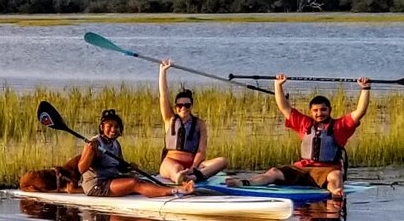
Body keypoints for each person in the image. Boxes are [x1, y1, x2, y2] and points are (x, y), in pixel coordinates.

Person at [232, 75, 370, 196]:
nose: (319, 113)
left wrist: (365, 89)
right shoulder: (304, 123)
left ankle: (335, 191)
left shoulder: (340, 126)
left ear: (329, 110)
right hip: (301, 168)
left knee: (336, 175)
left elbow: (360, 111)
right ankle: (245, 183)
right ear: (311, 111)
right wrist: (278, 85)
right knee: (274, 172)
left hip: (326, 170)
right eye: (315, 110)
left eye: (323, 110)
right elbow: (284, 107)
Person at [19, 110, 173, 197]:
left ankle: (165, 190)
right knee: (134, 184)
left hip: (110, 180)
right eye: (109, 126)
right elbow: (81, 169)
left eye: (116, 127)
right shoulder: (94, 143)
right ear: (102, 127)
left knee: (134, 179)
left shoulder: (115, 144)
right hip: (96, 186)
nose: (113, 129)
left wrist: (128, 167)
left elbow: (119, 167)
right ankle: (172, 191)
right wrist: (90, 151)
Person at [156, 60, 228, 183]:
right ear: (176, 107)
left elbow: (201, 150)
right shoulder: (170, 119)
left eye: (187, 105)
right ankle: (179, 177)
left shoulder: (200, 124)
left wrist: (193, 167)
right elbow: (163, 95)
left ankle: (192, 177)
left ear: (191, 106)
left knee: (222, 161)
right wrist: (162, 72)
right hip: (171, 162)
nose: (183, 108)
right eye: (179, 105)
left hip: (192, 164)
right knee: (176, 168)